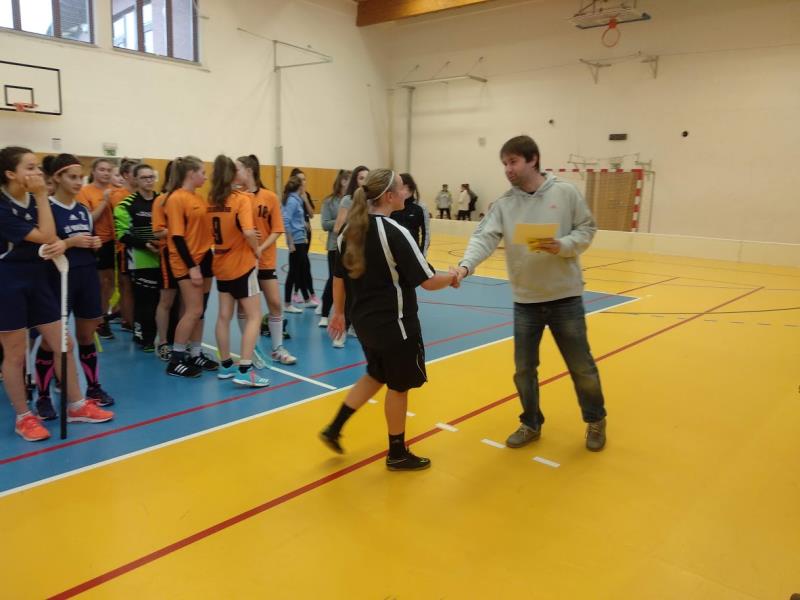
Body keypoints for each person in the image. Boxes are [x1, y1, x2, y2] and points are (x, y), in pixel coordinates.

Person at [453, 135, 607, 451]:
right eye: (504, 164)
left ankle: (595, 420)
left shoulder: (565, 192)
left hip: (565, 298)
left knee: (581, 367)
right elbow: (483, 237)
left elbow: (587, 228)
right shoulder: (505, 204)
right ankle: (531, 422)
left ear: (533, 159)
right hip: (526, 302)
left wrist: (563, 245)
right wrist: (465, 267)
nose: (508, 169)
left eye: (513, 162)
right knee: (524, 370)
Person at [319, 169, 457, 471]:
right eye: (402, 189)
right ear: (390, 196)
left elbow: (338, 278)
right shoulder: (395, 232)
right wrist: (454, 276)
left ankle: (334, 427)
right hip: (396, 324)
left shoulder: (348, 232)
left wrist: (339, 312)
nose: (406, 193)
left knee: (376, 373)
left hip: (364, 324)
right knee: (398, 386)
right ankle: (397, 453)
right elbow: (428, 281)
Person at [0, 147, 113, 441]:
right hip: (8, 282)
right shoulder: (4, 206)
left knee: (64, 342)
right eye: (30, 168)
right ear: (10, 174)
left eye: (38, 167)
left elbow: (49, 241)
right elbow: (48, 236)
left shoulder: (34, 200)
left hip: (39, 279)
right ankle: (24, 417)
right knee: (15, 353)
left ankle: (76, 405)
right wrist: (42, 196)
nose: (38, 173)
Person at [34, 153, 116, 414]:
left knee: (86, 334)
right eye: (72, 177)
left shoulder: (82, 210)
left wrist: (94, 243)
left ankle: (93, 386)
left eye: (81, 177)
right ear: (57, 178)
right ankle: (43, 396)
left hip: (86, 275)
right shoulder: (45, 208)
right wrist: (70, 242)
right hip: (57, 279)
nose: (79, 182)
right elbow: (43, 249)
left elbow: (88, 240)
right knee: (52, 340)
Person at [206, 155, 270, 387]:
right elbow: (249, 231)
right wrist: (257, 250)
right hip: (241, 263)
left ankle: (225, 365)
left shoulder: (211, 200)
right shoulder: (240, 199)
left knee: (224, 316)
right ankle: (245, 369)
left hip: (221, 263)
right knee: (254, 316)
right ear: (232, 173)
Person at [236, 155, 296, 366]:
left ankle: (278, 348)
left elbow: (277, 229)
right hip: (243, 262)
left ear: (249, 170)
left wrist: (259, 248)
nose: (234, 173)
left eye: (237, 169)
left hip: (265, 260)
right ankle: (251, 349)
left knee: (275, 303)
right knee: (244, 308)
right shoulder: (235, 197)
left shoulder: (269, 197)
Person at [163, 156, 218, 378]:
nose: (205, 176)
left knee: (200, 311)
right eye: (202, 172)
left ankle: (195, 353)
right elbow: (177, 237)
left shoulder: (199, 198)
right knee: (193, 310)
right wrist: (192, 266)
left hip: (205, 258)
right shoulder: (176, 198)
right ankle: (176, 360)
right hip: (187, 262)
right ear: (191, 174)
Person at [114, 163, 161, 352]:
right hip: (141, 260)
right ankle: (143, 337)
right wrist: (146, 244)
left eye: (151, 177)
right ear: (135, 180)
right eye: (144, 177)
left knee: (161, 300)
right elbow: (122, 235)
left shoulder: (163, 201)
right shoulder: (126, 205)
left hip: (163, 260)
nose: (149, 181)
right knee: (144, 301)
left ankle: (162, 337)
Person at [77, 158, 117, 339]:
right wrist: (104, 201)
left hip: (115, 242)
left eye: (109, 170)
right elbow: (88, 220)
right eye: (102, 169)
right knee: (101, 283)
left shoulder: (116, 191)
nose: (106, 173)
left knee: (112, 283)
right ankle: (99, 320)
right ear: (93, 171)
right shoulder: (85, 192)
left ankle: (106, 316)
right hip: (96, 241)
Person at [318, 169, 350, 328]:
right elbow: (325, 224)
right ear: (343, 181)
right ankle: (324, 313)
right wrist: (342, 220)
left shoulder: (353, 200)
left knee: (349, 283)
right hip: (334, 246)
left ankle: (348, 319)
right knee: (334, 280)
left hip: (351, 248)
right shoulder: (329, 202)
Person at [289, 167, 318, 307]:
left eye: (304, 179)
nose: (303, 182)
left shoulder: (305, 195)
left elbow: (311, 214)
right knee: (302, 265)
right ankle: (307, 295)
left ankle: (299, 294)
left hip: (306, 234)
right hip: (296, 235)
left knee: (302, 264)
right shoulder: (291, 198)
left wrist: (305, 199)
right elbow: (287, 219)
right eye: (300, 179)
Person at [281, 176, 311, 313]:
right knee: (294, 272)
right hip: (296, 242)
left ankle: (306, 299)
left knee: (300, 269)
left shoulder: (296, 200)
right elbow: (286, 220)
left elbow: (295, 219)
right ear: (299, 187)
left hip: (300, 239)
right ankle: (287, 304)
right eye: (303, 184)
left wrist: (303, 225)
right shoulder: (292, 201)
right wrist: (290, 242)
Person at [390, 172, 429, 256]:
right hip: (394, 252)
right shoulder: (392, 205)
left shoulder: (421, 207)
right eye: (400, 188)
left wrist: (422, 255)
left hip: (413, 252)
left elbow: (426, 233)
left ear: (411, 188)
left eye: (406, 187)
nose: (403, 191)